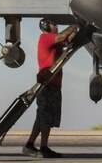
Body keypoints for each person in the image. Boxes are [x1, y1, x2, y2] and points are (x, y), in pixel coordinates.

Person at [23, 18, 77, 159]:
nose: (57, 26)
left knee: (42, 117)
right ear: (46, 27)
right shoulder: (46, 38)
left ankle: (29, 145)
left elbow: (69, 39)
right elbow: (64, 36)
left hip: (52, 85)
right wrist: (77, 23)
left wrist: (76, 30)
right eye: (54, 24)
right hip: (47, 84)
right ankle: (44, 147)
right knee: (45, 117)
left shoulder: (55, 42)